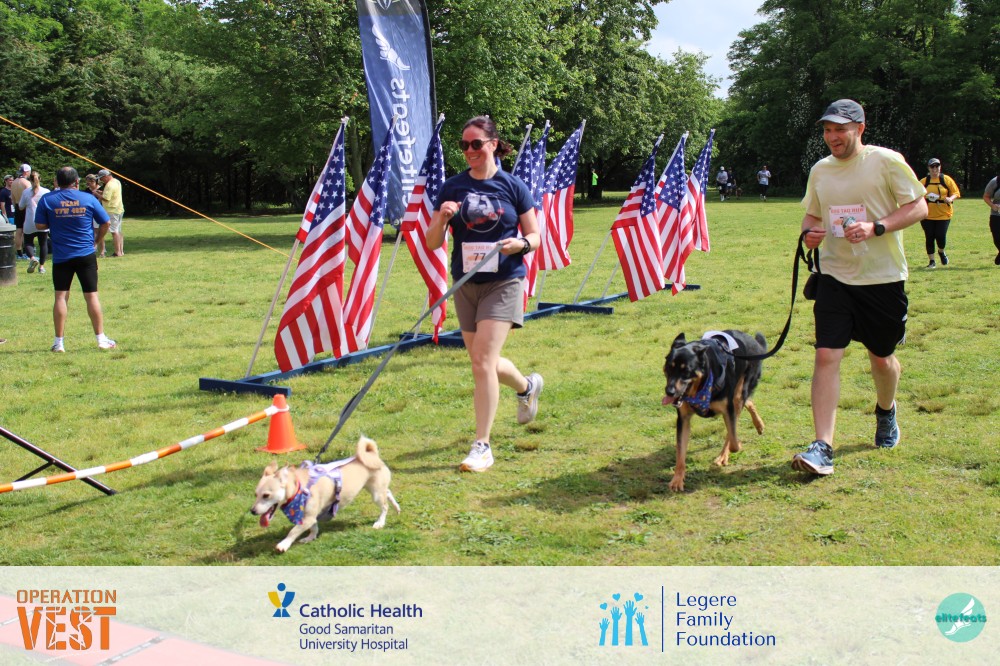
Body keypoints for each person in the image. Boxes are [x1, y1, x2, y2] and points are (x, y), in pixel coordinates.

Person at [793, 99, 927, 476]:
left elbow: (919, 208)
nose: (832, 137)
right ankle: (823, 446)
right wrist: (810, 234)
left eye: (840, 129)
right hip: (834, 278)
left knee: (881, 358)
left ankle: (886, 411)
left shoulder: (885, 161)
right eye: (827, 130)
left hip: (882, 279)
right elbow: (811, 215)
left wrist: (876, 227)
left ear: (860, 129)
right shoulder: (820, 170)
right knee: (826, 356)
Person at [426, 116, 543, 473]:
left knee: (481, 361)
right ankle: (526, 387)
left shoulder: (513, 186)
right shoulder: (452, 187)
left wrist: (520, 244)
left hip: (504, 280)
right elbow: (432, 242)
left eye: (476, 143)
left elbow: (535, 236)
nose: (469, 150)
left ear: (493, 144)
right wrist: (442, 219)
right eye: (464, 145)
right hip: (465, 282)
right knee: (483, 360)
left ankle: (482, 446)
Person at [33, 166, 117, 352]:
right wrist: (97, 241)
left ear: (57, 182)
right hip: (85, 254)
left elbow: (39, 224)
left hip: (61, 256)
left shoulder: (47, 199)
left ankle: (59, 343)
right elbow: (106, 222)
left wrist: (56, 219)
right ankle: (101, 339)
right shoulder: (88, 198)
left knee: (60, 296)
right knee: (91, 295)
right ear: (77, 181)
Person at [919, 158, 960, 268]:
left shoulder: (946, 179)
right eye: (932, 167)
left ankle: (941, 252)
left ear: (940, 167)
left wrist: (950, 198)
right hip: (927, 215)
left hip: (944, 214)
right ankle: (932, 261)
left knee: (940, 236)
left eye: (937, 166)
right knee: (929, 237)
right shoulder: (924, 181)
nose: (934, 169)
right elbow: (916, 194)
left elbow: (956, 192)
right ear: (928, 168)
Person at [19, 170, 51, 275]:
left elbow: (21, 206)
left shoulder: (26, 192)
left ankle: (32, 258)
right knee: (43, 244)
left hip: (30, 220)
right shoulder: (46, 191)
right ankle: (41, 267)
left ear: (30, 180)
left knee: (28, 242)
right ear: (40, 179)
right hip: (42, 221)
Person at [98, 168, 125, 256]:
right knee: (118, 230)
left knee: (114, 231)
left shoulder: (109, 185)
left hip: (112, 210)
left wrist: (96, 194)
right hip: (119, 209)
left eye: (101, 178)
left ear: (106, 176)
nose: (101, 180)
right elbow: (112, 194)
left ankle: (117, 252)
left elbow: (106, 199)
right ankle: (121, 251)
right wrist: (102, 192)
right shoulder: (116, 181)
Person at [11, 164, 31, 259]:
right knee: (27, 230)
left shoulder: (14, 182)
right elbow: (30, 197)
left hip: (17, 206)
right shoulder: (26, 183)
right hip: (25, 207)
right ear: (26, 172)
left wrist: (16, 207)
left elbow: (12, 198)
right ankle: (27, 251)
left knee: (19, 230)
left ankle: (19, 252)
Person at [85, 174, 106, 257]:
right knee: (92, 231)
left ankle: (102, 251)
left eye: (89, 183)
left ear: (94, 181)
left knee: (99, 231)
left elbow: (102, 200)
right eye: (87, 183)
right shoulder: (87, 190)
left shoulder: (101, 189)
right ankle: (93, 249)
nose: (88, 185)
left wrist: (97, 195)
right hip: (90, 212)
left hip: (98, 212)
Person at [985, 168, 1000, 265]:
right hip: (996, 215)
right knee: (997, 238)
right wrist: (992, 205)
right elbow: (986, 196)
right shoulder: (995, 181)